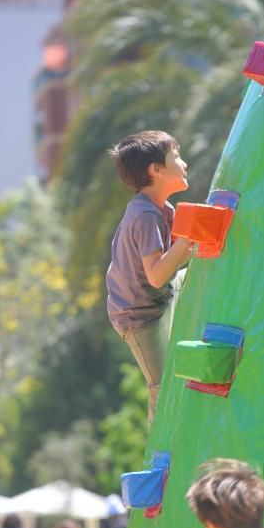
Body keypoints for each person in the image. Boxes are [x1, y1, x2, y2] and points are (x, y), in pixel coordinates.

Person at [106, 130, 193, 424]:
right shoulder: (145, 216)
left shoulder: (161, 209)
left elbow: (169, 265)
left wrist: (196, 245)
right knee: (163, 385)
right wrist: (186, 242)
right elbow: (156, 275)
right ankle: (160, 456)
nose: (184, 164)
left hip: (161, 296)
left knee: (198, 270)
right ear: (156, 170)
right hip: (139, 318)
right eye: (177, 157)